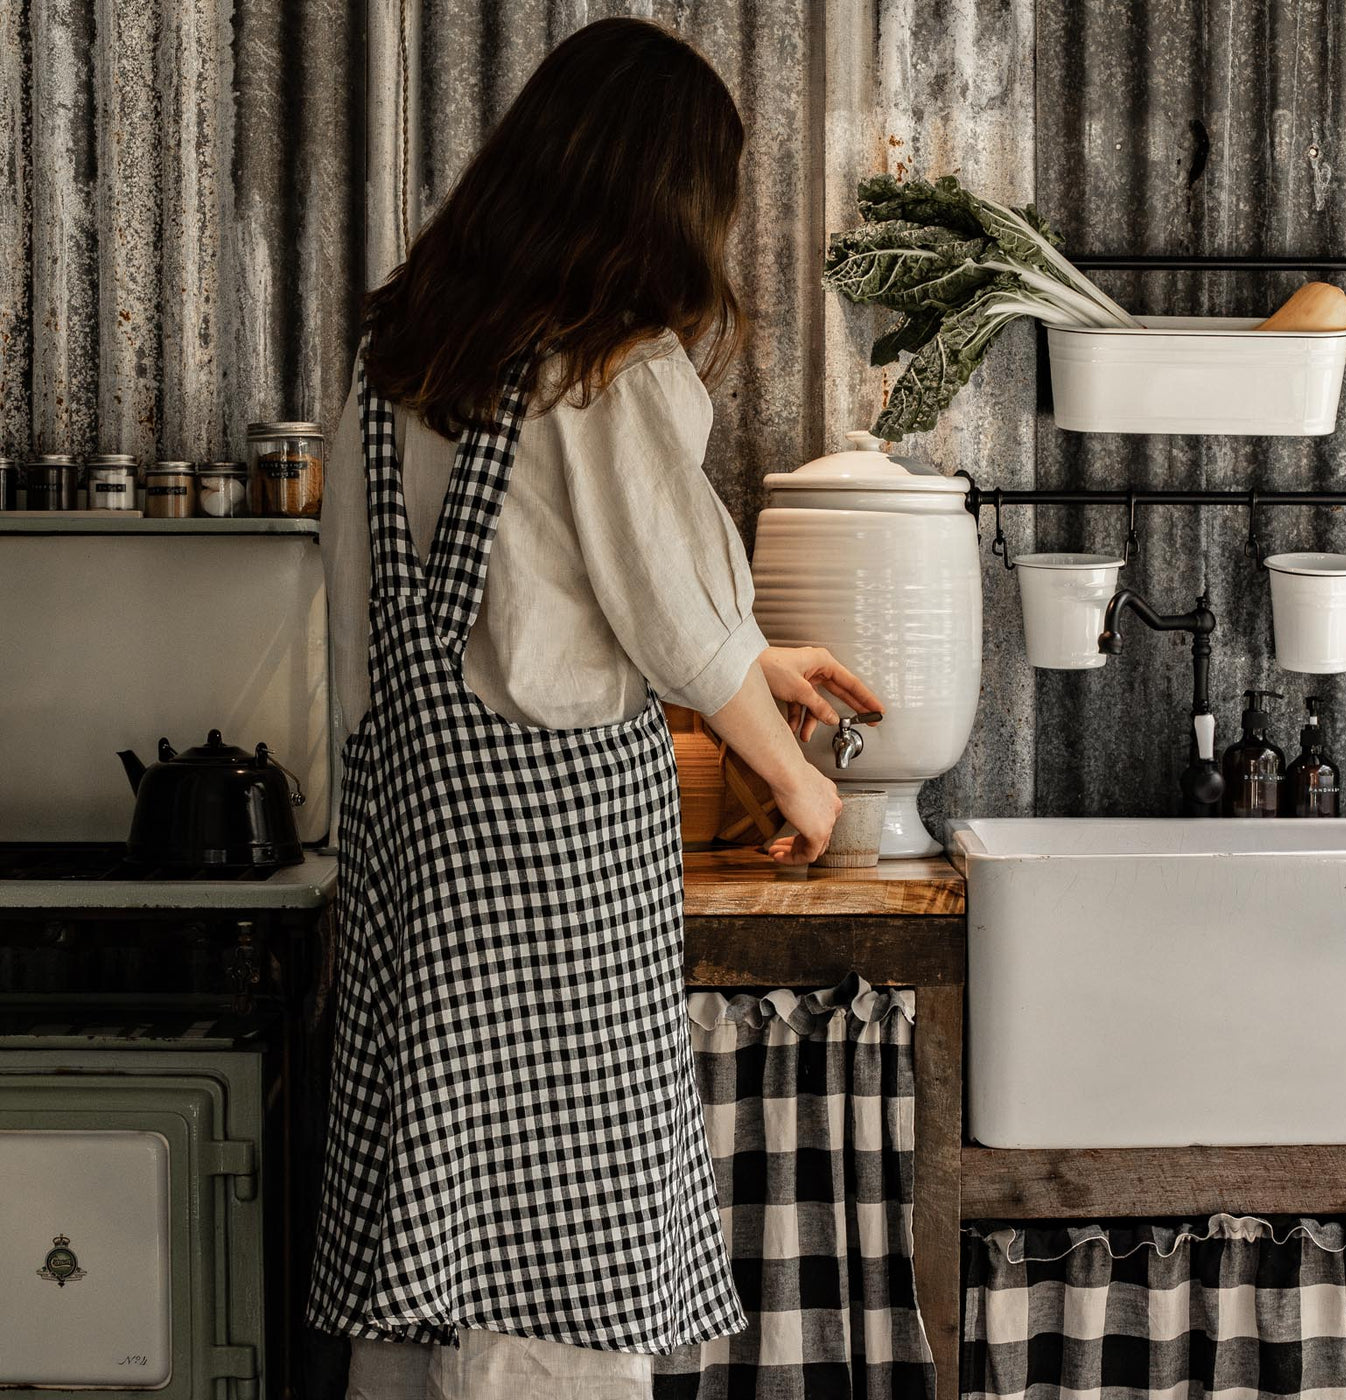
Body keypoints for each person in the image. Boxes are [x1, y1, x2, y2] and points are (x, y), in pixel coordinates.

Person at [309, 17, 883, 1398]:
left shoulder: (397, 367)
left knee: (435, 1255)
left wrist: (765, 667)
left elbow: (538, 599)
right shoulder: (603, 370)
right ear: (662, 202)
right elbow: (676, 627)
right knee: (556, 1293)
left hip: (418, 861)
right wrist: (805, 786)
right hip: (552, 887)